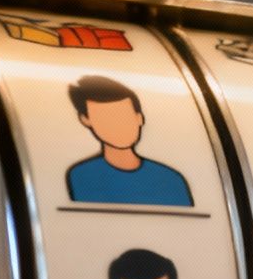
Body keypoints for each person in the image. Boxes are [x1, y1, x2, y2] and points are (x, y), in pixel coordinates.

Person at [63, 75, 193, 207]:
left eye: (124, 116)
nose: (118, 127)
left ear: (139, 118)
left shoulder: (170, 179)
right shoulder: (82, 176)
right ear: (85, 120)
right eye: (105, 118)